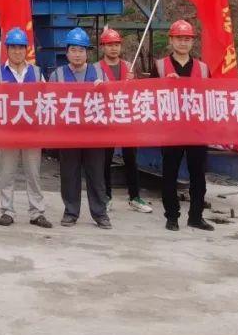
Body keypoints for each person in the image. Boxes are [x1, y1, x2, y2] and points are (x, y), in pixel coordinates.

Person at [0, 27, 52, 229]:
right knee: (7, 173)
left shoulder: (37, 72)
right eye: (13, 47)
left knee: (33, 174)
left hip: (32, 132)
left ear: (26, 49)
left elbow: (47, 99)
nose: (17, 51)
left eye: (21, 47)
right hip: (7, 133)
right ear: (7, 49)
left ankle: (37, 212)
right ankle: (7, 211)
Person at [153, 19, 214, 232]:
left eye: (187, 39)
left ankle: (196, 216)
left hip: (197, 130)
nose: (183, 42)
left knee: (198, 175)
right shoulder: (160, 66)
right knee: (169, 174)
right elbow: (149, 96)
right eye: (179, 38)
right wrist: (164, 84)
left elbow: (211, 96)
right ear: (171, 40)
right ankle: (172, 216)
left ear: (192, 42)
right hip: (171, 130)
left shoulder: (203, 68)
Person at [54, 27, 111, 229]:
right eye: (73, 50)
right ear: (67, 52)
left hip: (94, 135)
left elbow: (112, 100)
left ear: (87, 52)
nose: (77, 54)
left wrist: (104, 88)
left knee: (96, 175)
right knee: (69, 174)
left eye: (81, 50)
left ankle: (100, 213)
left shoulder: (99, 73)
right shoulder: (57, 75)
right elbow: (50, 102)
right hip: (68, 135)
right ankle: (71, 212)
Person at [91, 27, 152, 214]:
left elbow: (139, 91)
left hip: (127, 118)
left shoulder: (129, 66)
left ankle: (135, 197)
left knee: (131, 159)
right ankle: (106, 196)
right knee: (105, 160)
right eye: (109, 45)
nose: (113, 48)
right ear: (103, 47)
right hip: (106, 119)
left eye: (116, 44)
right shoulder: (95, 68)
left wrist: (134, 81)